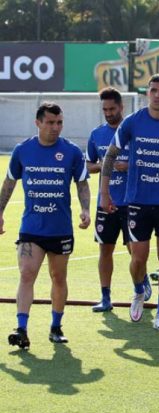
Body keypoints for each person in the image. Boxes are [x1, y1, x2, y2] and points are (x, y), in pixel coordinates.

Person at [100, 74, 159, 332]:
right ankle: (139, 289)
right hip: (137, 201)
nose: (158, 94)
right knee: (138, 259)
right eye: (153, 90)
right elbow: (110, 156)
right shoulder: (132, 122)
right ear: (147, 93)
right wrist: (105, 193)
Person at [1, 102, 90, 348]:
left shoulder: (71, 152)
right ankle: (21, 328)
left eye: (59, 122)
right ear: (38, 122)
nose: (55, 127)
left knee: (58, 277)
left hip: (60, 228)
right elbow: (9, 182)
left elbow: (82, 183)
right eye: (50, 122)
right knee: (27, 273)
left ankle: (56, 326)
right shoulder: (23, 150)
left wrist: (85, 209)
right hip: (31, 227)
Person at [86, 88, 151, 312]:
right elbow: (88, 165)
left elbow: (150, 161)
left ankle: (141, 285)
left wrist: (128, 165)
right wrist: (106, 165)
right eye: (105, 109)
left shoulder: (135, 132)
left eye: (112, 109)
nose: (108, 113)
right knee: (105, 250)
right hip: (106, 202)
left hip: (132, 201)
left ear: (121, 107)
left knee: (135, 250)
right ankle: (105, 297)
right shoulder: (96, 134)